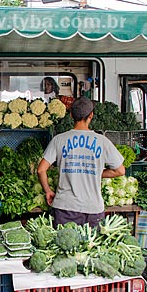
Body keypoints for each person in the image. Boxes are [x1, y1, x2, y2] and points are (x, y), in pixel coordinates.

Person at [37, 97, 125, 227]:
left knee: (62, 246)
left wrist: (48, 191)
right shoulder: (103, 141)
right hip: (93, 209)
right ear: (91, 115)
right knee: (90, 246)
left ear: (71, 115)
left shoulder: (59, 140)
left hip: (64, 207)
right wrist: (93, 172)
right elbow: (120, 171)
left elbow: (41, 169)